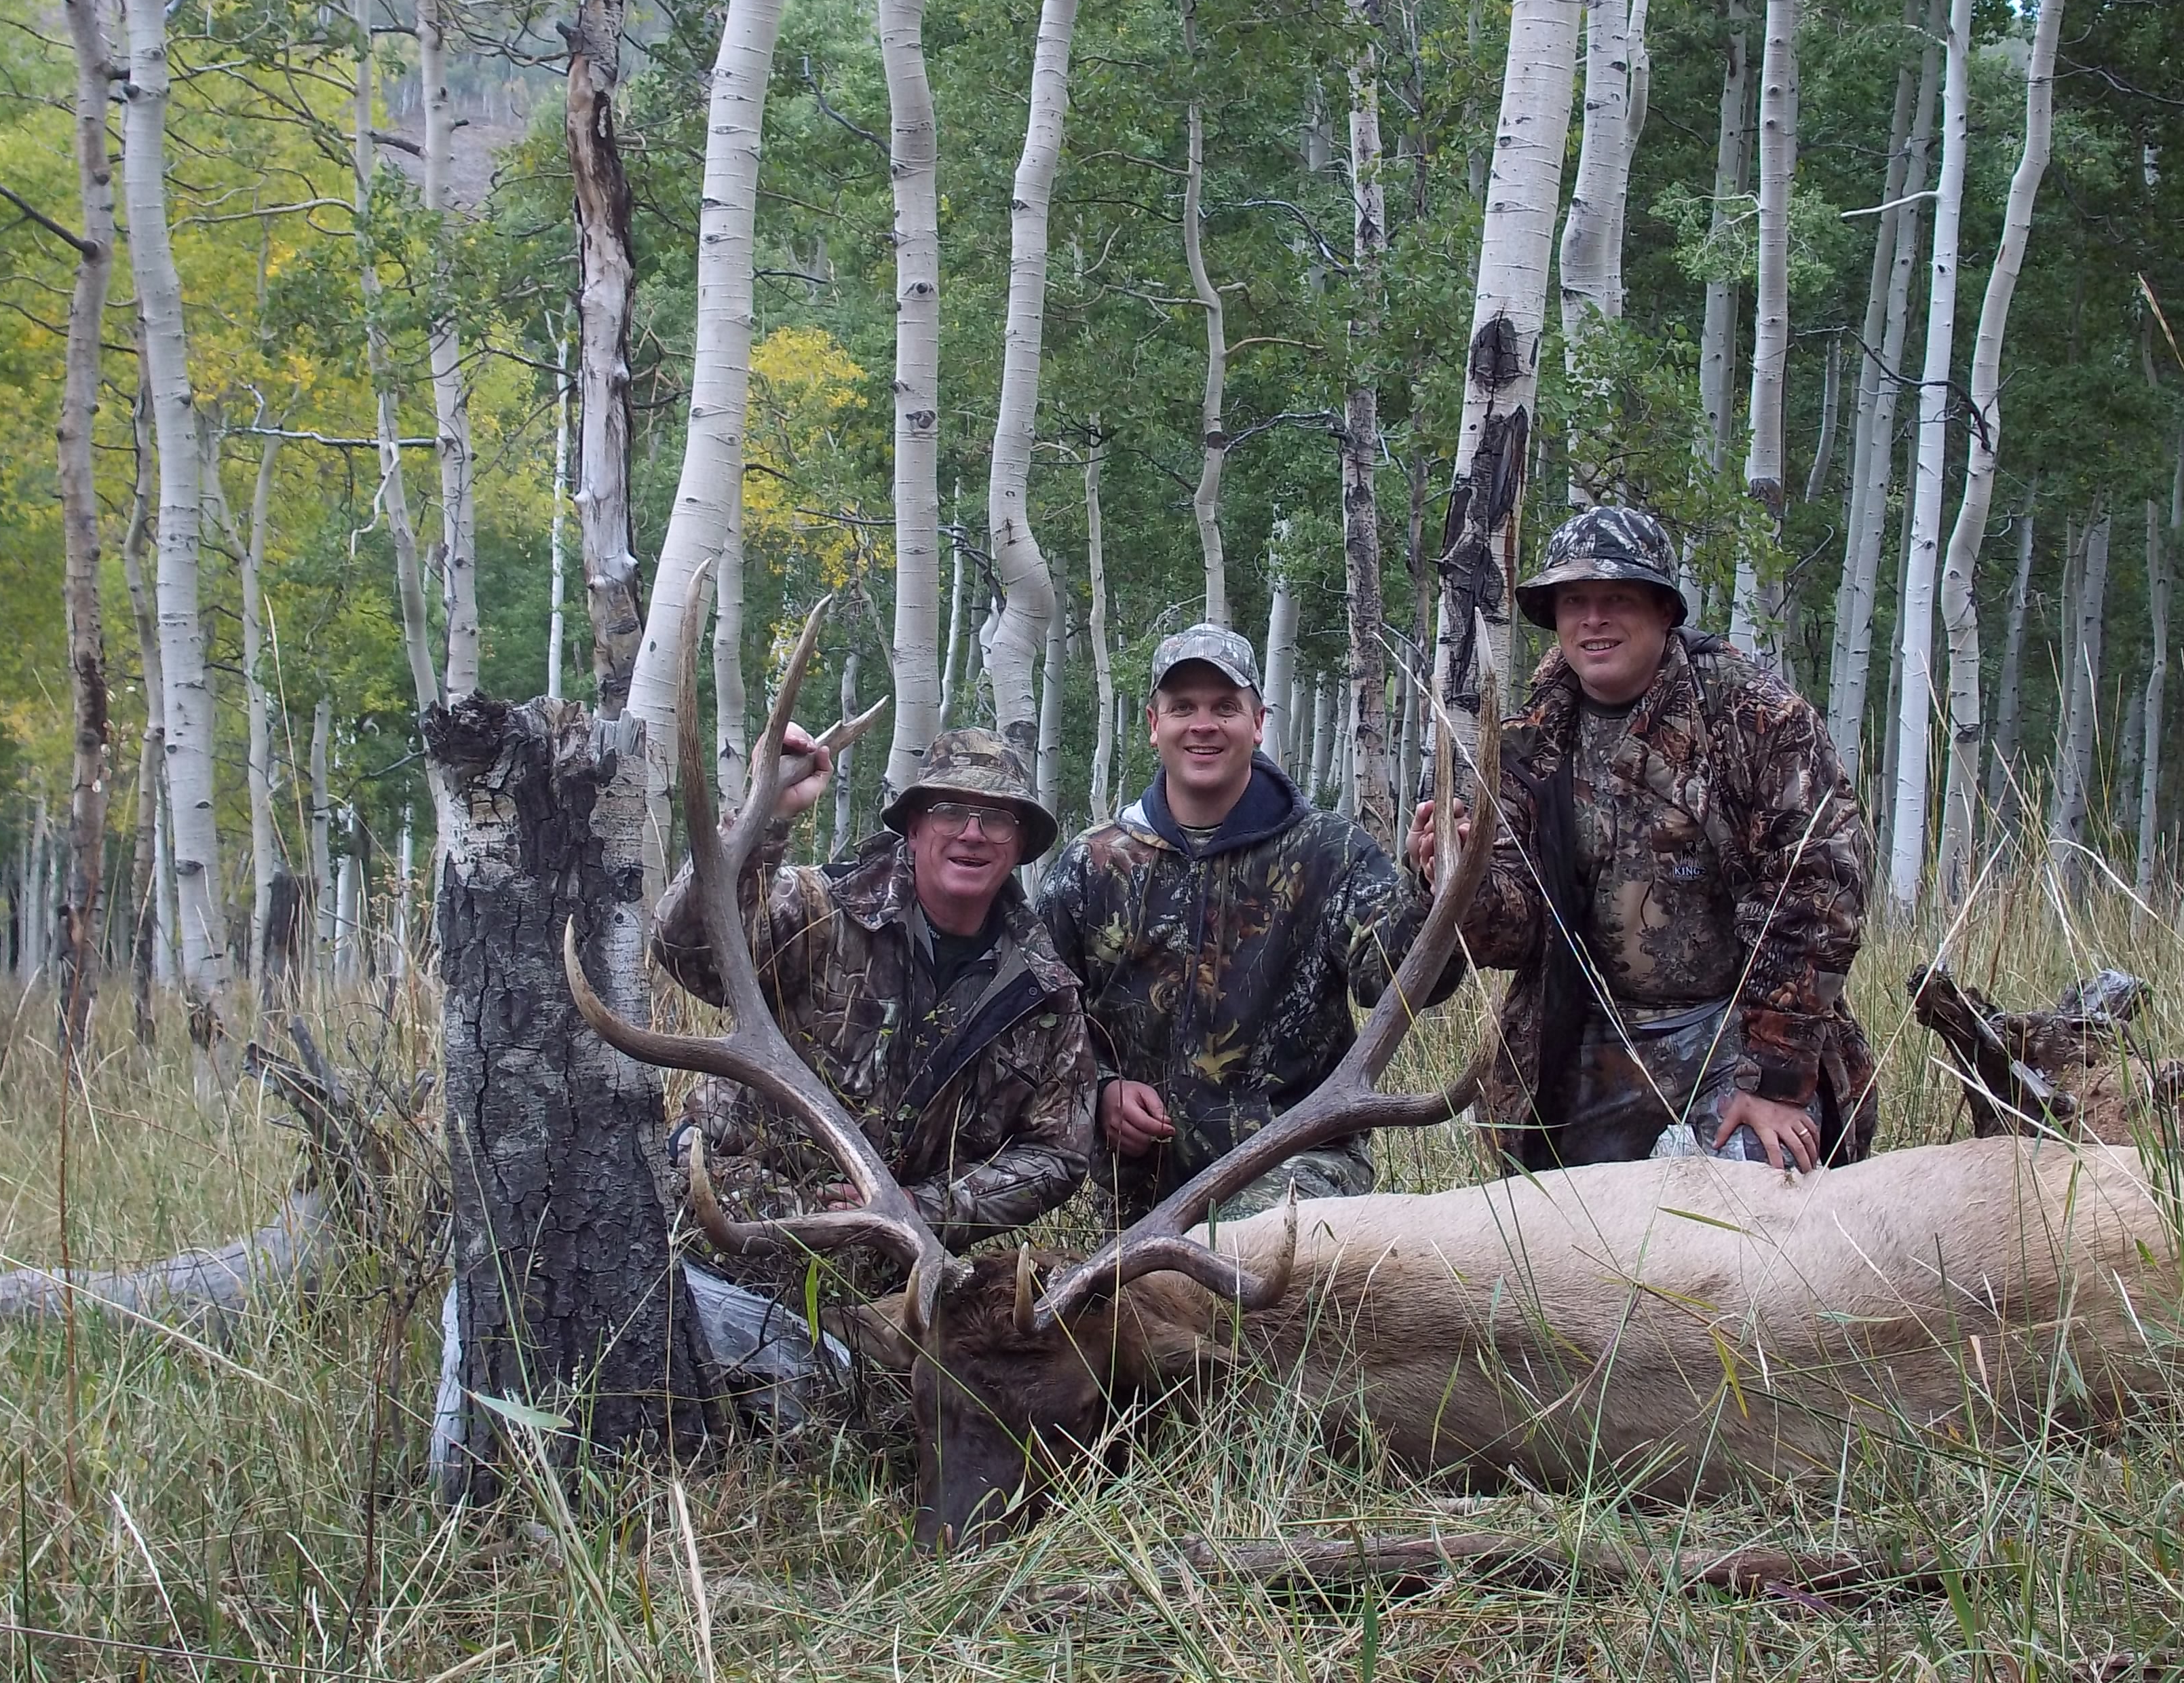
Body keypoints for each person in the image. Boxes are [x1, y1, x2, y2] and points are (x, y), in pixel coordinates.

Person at [1411, 506, 1879, 1174]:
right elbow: (1515, 934)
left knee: (1751, 1199)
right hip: (1594, 1035)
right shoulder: (1526, 741)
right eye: (1574, 601)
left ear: (1663, 611)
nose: (1592, 619)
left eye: (1616, 599)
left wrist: (1774, 1079)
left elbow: (1818, 892)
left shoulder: (1753, 715)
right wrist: (1456, 880)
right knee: (1559, 1231)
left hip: (1737, 1031)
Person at [1039, 624, 1439, 1222]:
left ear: (1258, 722)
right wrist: (1099, 1091)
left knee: (1240, 1268)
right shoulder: (1093, 866)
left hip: (1300, 1167)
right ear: (1154, 726)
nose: (1203, 724)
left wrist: (1428, 890)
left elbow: (1394, 981)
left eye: (1225, 707)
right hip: (1142, 1191)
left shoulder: (1329, 852)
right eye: (1183, 708)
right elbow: (1043, 1018)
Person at [652, 726, 1094, 1253]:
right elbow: (686, 949)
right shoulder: (819, 908)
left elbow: (1057, 1155)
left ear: (1021, 845)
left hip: (890, 1257)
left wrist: (920, 1208)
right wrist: (765, 813)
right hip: (731, 1213)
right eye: (949, 811)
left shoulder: (1045, 993)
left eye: (997, 819)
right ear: (913, 826)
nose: (972, 834)